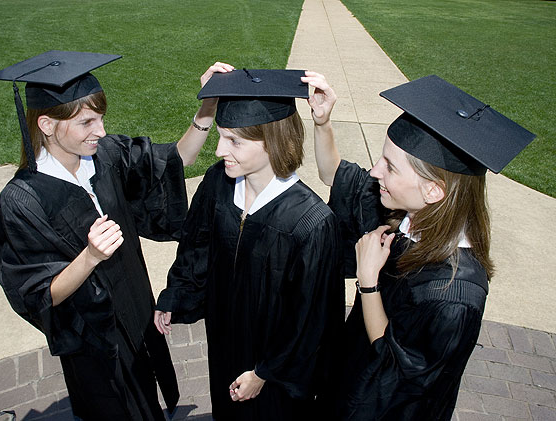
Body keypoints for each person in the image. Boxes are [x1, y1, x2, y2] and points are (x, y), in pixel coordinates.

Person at [0, 50, 234, 421]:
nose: (99, 131)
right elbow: (38, 293)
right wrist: (90, 257)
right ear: (47, 125)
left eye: (100, 119)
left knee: (146, 396)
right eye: (86, 122)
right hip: (94, 339)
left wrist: (207, 110)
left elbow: (174, 161)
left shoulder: (106, 155)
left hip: (135, 306)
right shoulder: (23, 202)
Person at [303, 72, 535, 420]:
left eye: (390, 167)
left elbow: (396, 371)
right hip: (350, 379)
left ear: (433, 190)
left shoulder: (454, 296)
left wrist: (368, 283)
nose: (375, 171)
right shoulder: (404, 214)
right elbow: (335, 176)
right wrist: (323, 123)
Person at [154, 69, 345, 420]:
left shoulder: (310, 223)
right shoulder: (219, 184)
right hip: (225, 339)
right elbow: (196, 247)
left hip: (274, 372)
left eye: (234, 141)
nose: (219, 149)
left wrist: (263, 372)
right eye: (222, 136)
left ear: (272, 141)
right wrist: (176, 295)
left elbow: (310, 320)